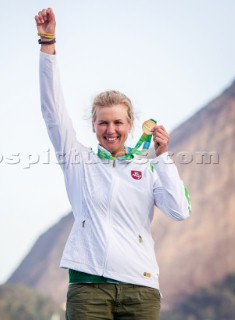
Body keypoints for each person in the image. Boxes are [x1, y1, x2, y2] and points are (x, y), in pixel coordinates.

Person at [35, 7, 191, 320]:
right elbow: (53, 113)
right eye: (103, 123)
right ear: (93, 126)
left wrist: (162, 158)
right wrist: (47, 43)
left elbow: (179, 211)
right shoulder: (78, 160)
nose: (111, 130)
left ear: (130, 124)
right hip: (88, 288)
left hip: (141, 290)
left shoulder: (148, 168)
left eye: (118, 122)